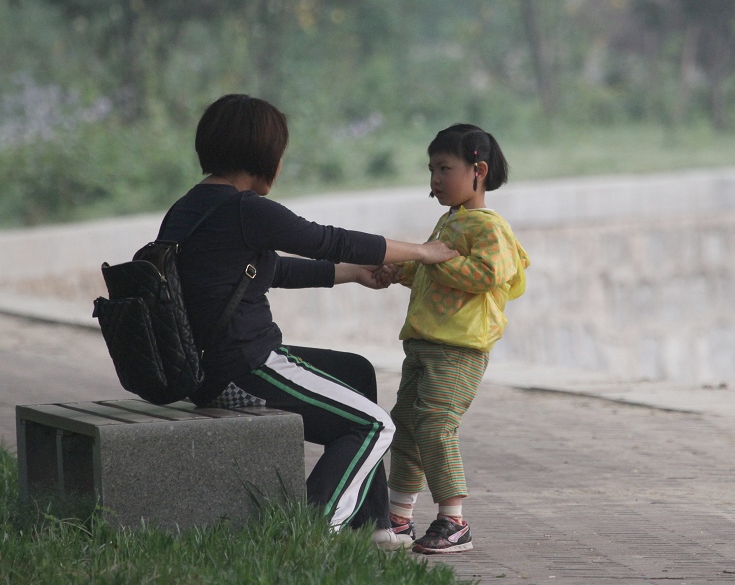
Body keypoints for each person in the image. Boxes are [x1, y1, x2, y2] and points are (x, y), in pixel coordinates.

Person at [157, 94, 458, 549]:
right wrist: (421, 251)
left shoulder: (191, 207)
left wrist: (355, 276)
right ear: (265, 157)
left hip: (209, 365)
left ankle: (373, 524)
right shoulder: (246, 209)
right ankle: (309, 533)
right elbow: (327, 241)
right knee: (374, 426)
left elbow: (273, 270)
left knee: (355, 372)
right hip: (244, 366)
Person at [376, 124, 530, 554]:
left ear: (478, 170)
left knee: (437, 426)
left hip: (459, 350)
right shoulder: (450, 221)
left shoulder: (489, 227)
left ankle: (453, 520)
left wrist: (433, 260)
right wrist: (398, 271)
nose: (435, 180)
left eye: (445, 168)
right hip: (423, 344)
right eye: (431, 169)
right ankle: (398, 518)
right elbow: (431, 269)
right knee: (405, 425)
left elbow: (488, 274)